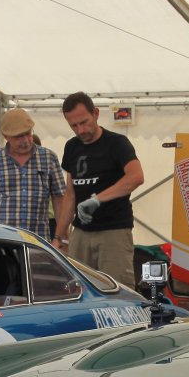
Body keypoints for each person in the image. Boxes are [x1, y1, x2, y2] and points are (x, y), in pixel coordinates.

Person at [59, 92, 144, 286]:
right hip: (80, 232)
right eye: (74, 125)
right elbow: (70, 194)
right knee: (79, 288)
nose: (81, 130)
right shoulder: (71, 147)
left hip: (113, 231)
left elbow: (136, 176)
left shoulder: (117, 143)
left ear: (95, 113)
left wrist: (97, 199)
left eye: (84, 122)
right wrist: (59, 235)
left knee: (117, 289)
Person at [0, 108, 73, 247]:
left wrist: (61, 239)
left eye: (28, 133)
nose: (25, 140)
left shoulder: (48, 158)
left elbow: (60, 201)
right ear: (6, 136)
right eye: (18, 136)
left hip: (38, 243)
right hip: (2, 243)